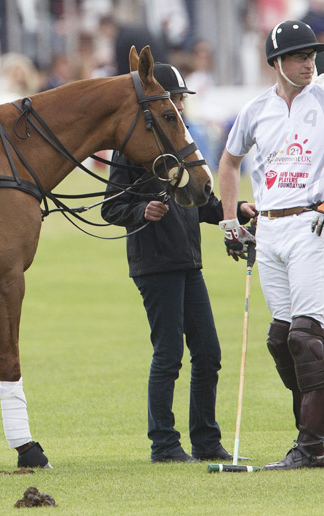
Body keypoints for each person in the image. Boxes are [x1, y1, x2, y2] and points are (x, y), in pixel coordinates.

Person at [218, 20, 324, 470]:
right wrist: (230, 220)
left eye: (311, 56)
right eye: (299, 57)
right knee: (280, 339)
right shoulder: (254, 110)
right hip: (267, 230)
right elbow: (228, 165)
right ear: (276, 63)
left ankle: (310, 448)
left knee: (307, 337)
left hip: (311, 226)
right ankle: (313, 438)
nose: (310, 63)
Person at [101, 63, 256, 463]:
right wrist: (142, 211)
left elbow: (197, 204)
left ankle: (205, 441)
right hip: (154, 264)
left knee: (208, 353)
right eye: (179, 99)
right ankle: (164, 444)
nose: (184, 106)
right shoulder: (132, 148)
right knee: (169, 354)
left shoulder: (178, 141)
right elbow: (111, 207)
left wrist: (233, 210)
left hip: (188, 261)